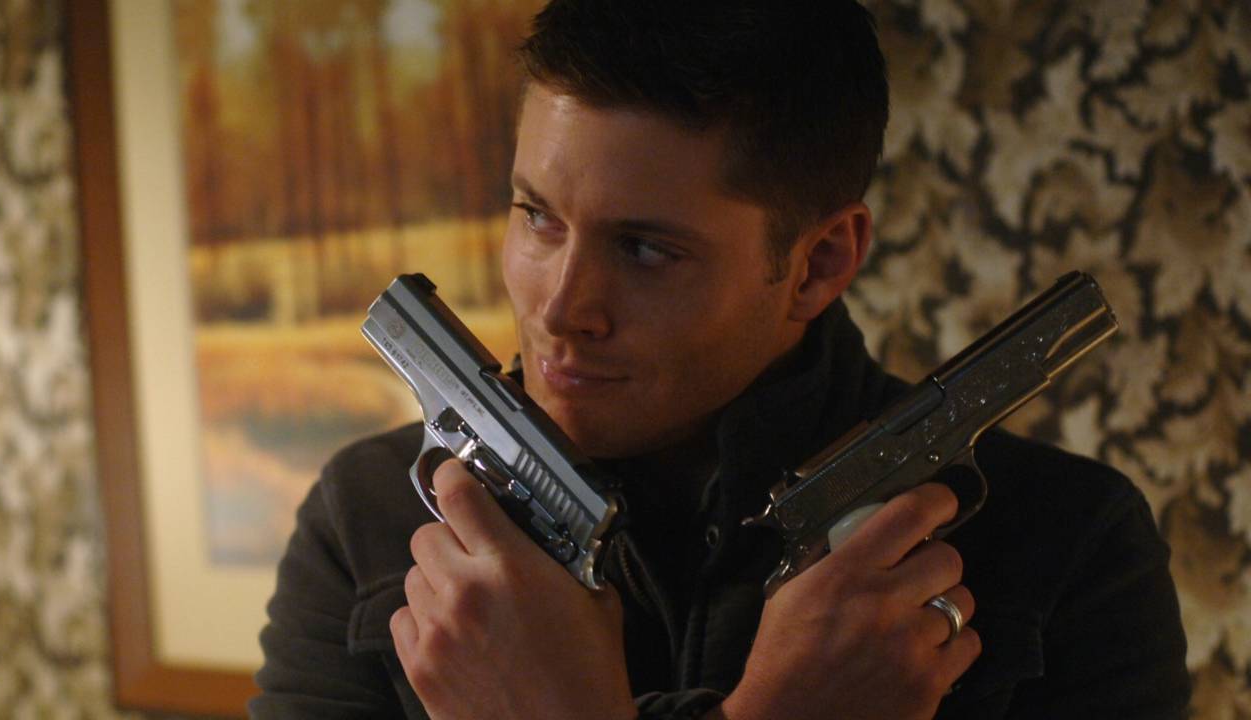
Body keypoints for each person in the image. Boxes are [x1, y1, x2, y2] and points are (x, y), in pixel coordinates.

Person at [250, 2, 1190, 718]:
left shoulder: (1072, 546)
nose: (561, 310)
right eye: (537, 216)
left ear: (818, 263)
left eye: (645, 249)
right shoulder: (366, 519)